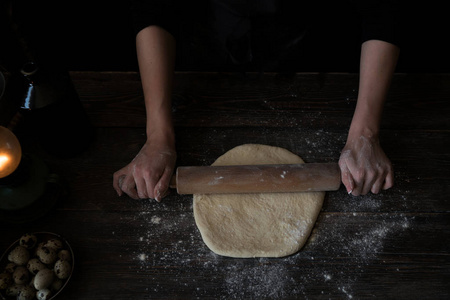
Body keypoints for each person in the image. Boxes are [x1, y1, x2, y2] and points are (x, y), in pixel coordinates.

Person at [113, 0, 400, 201]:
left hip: (313, 55)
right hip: (208, 49)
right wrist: (157, 138)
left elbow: (383, 9)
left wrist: (366, 134)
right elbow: (152, 9)